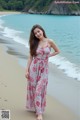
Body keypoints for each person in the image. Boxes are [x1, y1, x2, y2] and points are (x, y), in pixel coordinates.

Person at [25, 24, 60, 120]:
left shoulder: (50, 41)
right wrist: (26, 70)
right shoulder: (34, 43)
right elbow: (30, 57)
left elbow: (57, 51)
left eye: (38, 31)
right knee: (33, 89)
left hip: (44, 69)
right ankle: (38, 110)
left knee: (39, 90)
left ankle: (39, 113)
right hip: (34, 68)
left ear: (42, 31)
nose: (37, 34)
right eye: (35, 33)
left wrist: (48, 56)